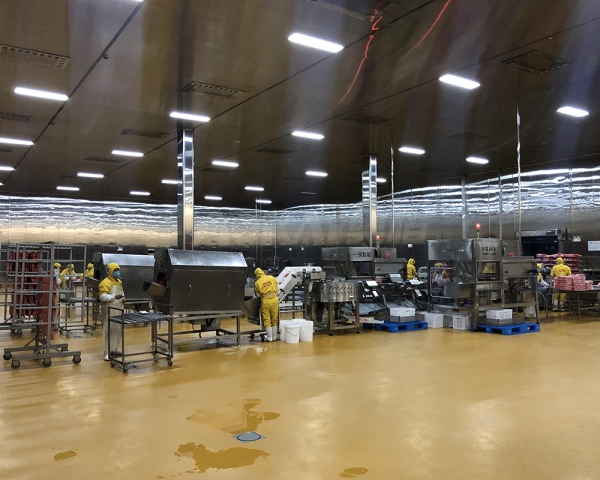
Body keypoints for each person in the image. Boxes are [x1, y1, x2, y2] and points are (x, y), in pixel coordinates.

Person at [98, 262, 126, 360]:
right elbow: (102, 296)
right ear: (110, 271)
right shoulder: (105, 282)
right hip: (108, 309)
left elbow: (122, 292)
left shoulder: (119, 282)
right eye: (115, 270)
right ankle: (107, 352)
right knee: (108, 330)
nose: (117, 272)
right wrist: (114, 297)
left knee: (118, 330)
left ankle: (114, 348)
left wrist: (123, 299)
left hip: (118, 308)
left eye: (118, 270)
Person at [254, 268, 279, 342]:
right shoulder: (272, 278)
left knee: (267, 319)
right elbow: (278, 289)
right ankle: (274, 337)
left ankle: (269, 338)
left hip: (265, 301)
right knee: (275, 319)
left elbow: (258, 295)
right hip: (274, 299)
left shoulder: (257, 283)